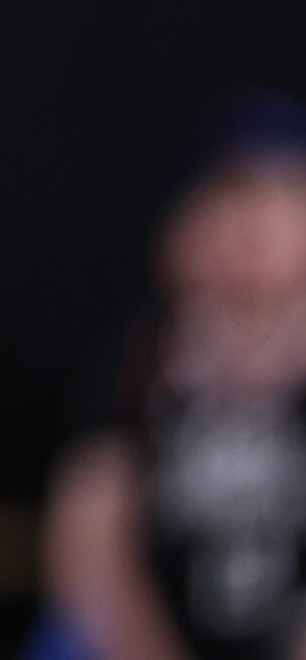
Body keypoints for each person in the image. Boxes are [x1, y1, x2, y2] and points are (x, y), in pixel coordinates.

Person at [36, 95, 306, 660]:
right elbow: (88, 556)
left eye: (284, 202)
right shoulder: (136, 368)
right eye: (232, 201)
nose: (253, 235)